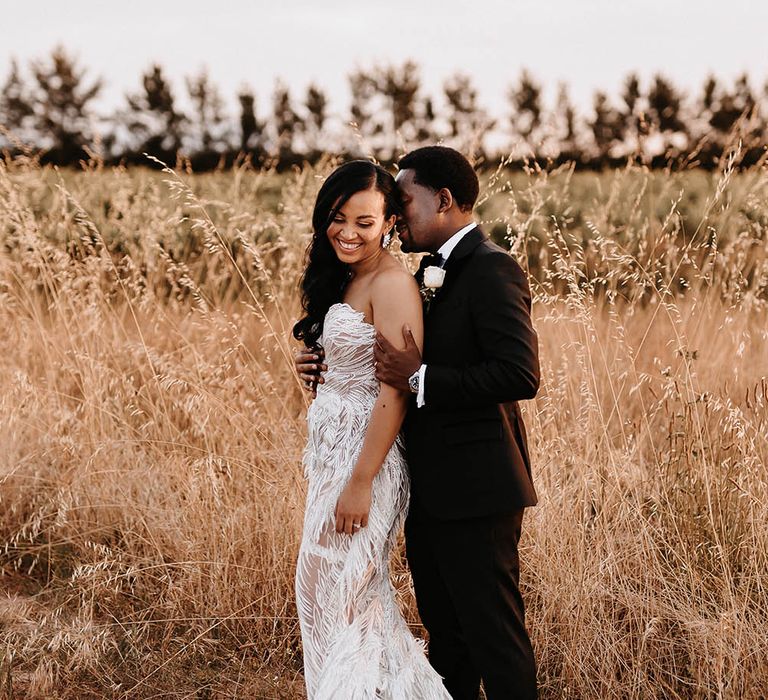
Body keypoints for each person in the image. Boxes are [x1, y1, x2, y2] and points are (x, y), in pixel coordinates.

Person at [296, 146, 540, 699]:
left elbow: (518, 374)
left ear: (444, 199)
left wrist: (420, 378)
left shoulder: (492, 267)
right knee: (447, 635)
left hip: (478, 485)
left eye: (401, 201)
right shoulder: (422, 269)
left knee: (493, 635)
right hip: (427, 482)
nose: (396, 215)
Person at [292, 160, 452, 699]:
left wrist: (361, 480)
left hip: (367, 462)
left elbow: (396, 389)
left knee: (340, 596)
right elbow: (349, 363)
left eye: (364, 222)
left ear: (388, 223)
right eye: (338, 218)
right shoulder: (344, 277)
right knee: (331, 597)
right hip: (330, 456)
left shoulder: (392, 284)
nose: (347, 232)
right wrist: (314, 367)